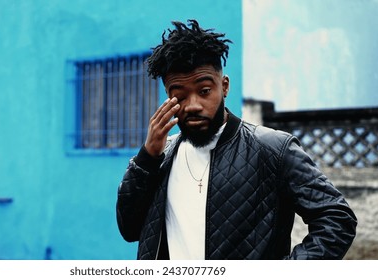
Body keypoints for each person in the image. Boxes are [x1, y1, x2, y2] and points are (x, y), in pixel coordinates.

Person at [116, 19, 357, 260]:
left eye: (204, 91)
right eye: (179, 95)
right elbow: (129, 230)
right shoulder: (160, 157)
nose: (193, 105)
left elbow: (336, 218)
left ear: (224, 86)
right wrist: (147, 158)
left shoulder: (273, 148)